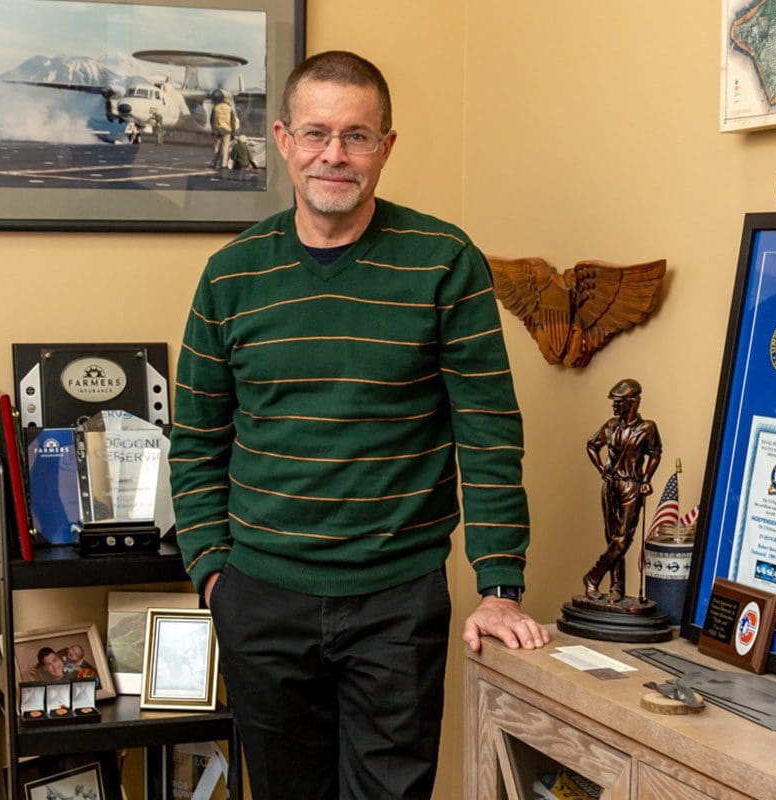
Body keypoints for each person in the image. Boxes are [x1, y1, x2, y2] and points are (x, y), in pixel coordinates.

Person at [169, 50, 547, 800]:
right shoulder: (231, 274)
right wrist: (213, 571)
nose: (333, 155)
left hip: (396, 602)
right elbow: (198, 437)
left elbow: (488, 428)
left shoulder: (443, 262)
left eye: (356, 136)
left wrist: (499, 582)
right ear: (281, 139)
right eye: (314, 134)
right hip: (261, 598)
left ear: (386, 146)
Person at [582, 378, 661, 601]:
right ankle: (617, 586)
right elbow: (591, 445)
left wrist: (646, 478)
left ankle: (593, 577)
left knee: (622, 539)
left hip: (632, 485)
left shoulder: (647, 428)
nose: (614, 406)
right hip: (610, 485)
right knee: (612, 537)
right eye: (614, 402)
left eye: (619, 402)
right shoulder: (610, 425)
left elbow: (655, 454)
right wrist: (601, 469)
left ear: (633, 402)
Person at [210, 95, 238, 168]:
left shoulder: (216, 107)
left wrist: (213, 129)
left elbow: (211, 119)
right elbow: (233, 121)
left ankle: (213, 163)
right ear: (228, 101)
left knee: (216, 147)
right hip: (227, 131)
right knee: (225, 148)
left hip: (217, 130)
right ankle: (223, 164)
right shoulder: (230, 109)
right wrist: (233, 132)